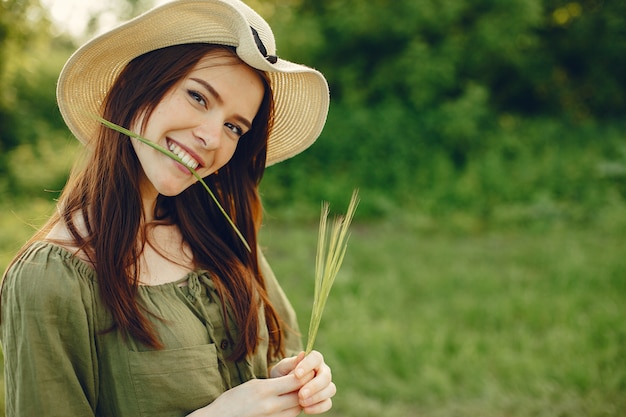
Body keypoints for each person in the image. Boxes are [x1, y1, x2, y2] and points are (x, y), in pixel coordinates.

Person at [0, 0, 336, 416]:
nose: (213, 138)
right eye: (198, 97)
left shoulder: (220, 236)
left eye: (234, 127)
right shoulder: (51, 279)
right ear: (137, 87)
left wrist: (294, 381)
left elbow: (277, 353)